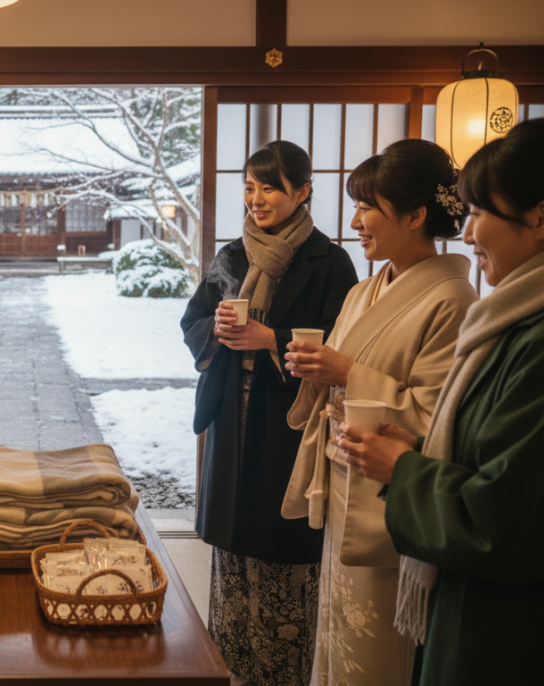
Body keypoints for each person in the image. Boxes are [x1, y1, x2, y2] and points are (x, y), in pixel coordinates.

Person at [338, 118, 544, 686]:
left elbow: (510, 523)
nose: (466, 234)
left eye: (480, 214)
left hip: (523, 635)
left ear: (543, 220)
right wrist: (421, 450)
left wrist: (404, 470)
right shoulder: (528, 318)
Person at [280, 139, 478, 686]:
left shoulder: (453, 300)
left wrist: (345, 373)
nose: (355, 220)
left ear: (415, 215)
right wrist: (316, 373)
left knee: (376, 648)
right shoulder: (364, 291)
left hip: (390, 492)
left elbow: (437, 415)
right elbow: (338, 375)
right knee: (337, 628)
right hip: (345, 476)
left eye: (368, 207)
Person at [181, 140, 358, 686]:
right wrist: (214, 331)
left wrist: (268, 338)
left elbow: (343, 343)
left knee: (284, 548)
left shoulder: (330, 262)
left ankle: (282, 672)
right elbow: (193, 320)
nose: (256, 198)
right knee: (233, 552)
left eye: (270, 188)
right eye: (250, 187)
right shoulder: (232, 255)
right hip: (232, 420)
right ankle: (231, 669)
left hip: (289, 426)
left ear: (303, 191)